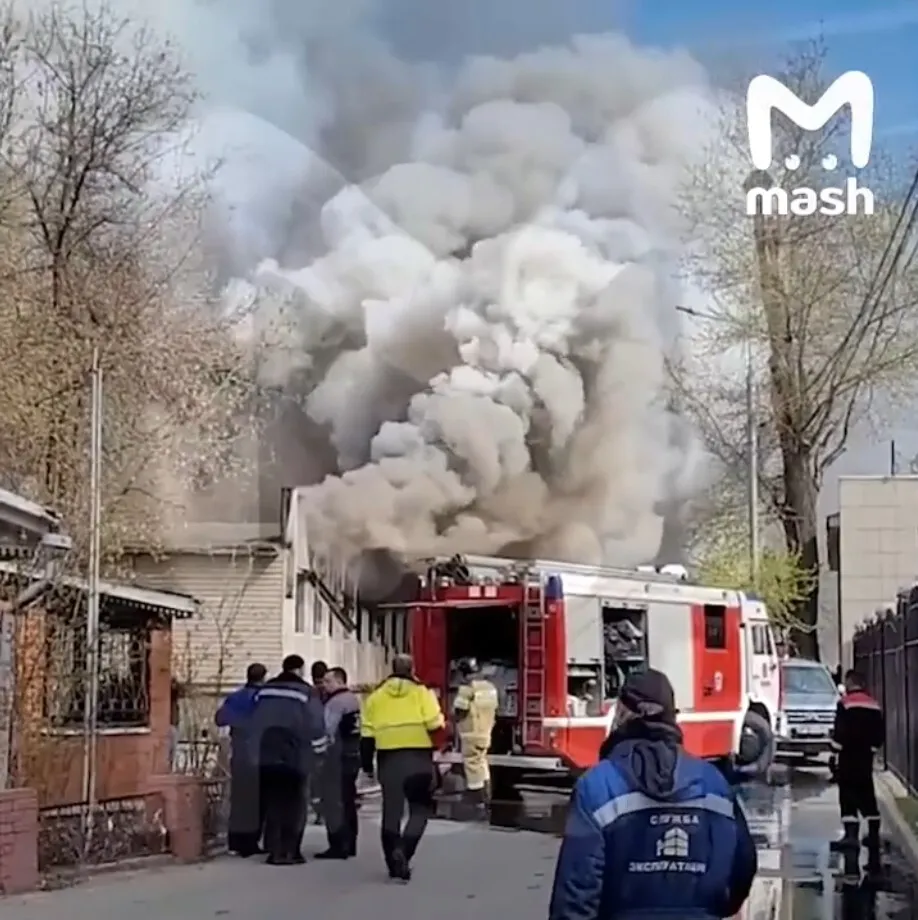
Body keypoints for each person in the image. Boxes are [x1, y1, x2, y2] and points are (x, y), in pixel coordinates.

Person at [549, 669, 757, 920]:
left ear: (621, 714)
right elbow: (744, 864)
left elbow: (576, 892)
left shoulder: (596, 786)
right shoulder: (714, 784)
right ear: (671, 717)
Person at [360, 653, 445, 881]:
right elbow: (435, 724)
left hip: (388, 759)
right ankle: (404, 851)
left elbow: (366, 736)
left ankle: (393, 865)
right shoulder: (422, 693)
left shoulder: (375, 697)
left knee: (391, 813)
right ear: (412, 669)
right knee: (419, 810)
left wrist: (367, 766)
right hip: (418, 758)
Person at [250, 654, 327, 865]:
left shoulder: (264, 691)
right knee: (295, 804)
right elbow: (315, 723)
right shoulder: (305, 692)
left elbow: (253, 719)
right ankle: (290, 851)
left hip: (267, 754)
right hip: (295, 755)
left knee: (273, 802)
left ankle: (274, 851)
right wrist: (319, 751)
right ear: (300, 670)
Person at [830, 669, 885, 873]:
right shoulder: (873, 705)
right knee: (867, 794)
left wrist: (833, 752)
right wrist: (872, 749)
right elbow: (879, 733)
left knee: (847, 795)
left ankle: (851, 836)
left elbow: (840, 733)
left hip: (848, 757)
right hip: (865, 758)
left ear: (850, 683)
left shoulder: (844, 704)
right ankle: (873, 835)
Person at [215, 662, 267, 857]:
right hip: (259, 753)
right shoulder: (263, 698)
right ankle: (251, 842)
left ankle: (235, 842)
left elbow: (220, 719)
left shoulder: (235, 697)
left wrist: (239, 723)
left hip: (239, 753)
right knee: (257, 800)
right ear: (263, 678)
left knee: (239, 799)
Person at [315, 666, 362, 859]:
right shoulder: (352, 699)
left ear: (339, 681)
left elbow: (328, 731)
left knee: (335, 801)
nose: (324, 685)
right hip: (352, 754)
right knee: (348, 799)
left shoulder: (335, 703)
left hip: (337, 757)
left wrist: (318, 754)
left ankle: (338, 844)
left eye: (328, 681)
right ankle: (350, 843)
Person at [452, 657, 498, 811]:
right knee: (482, 763)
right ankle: (486, 795)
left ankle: (476, 798)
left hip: (470, 733)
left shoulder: (467, 688)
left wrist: (451, 718)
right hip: (486, 732)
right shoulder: (490, 687)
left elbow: (460, 709)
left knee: (472, 764)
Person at [309, 660, 329, 824]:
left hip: (314, 741)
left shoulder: (310, 693)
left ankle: (320, 813)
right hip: (331, 740)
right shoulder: (331, 691)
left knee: (315, 778)